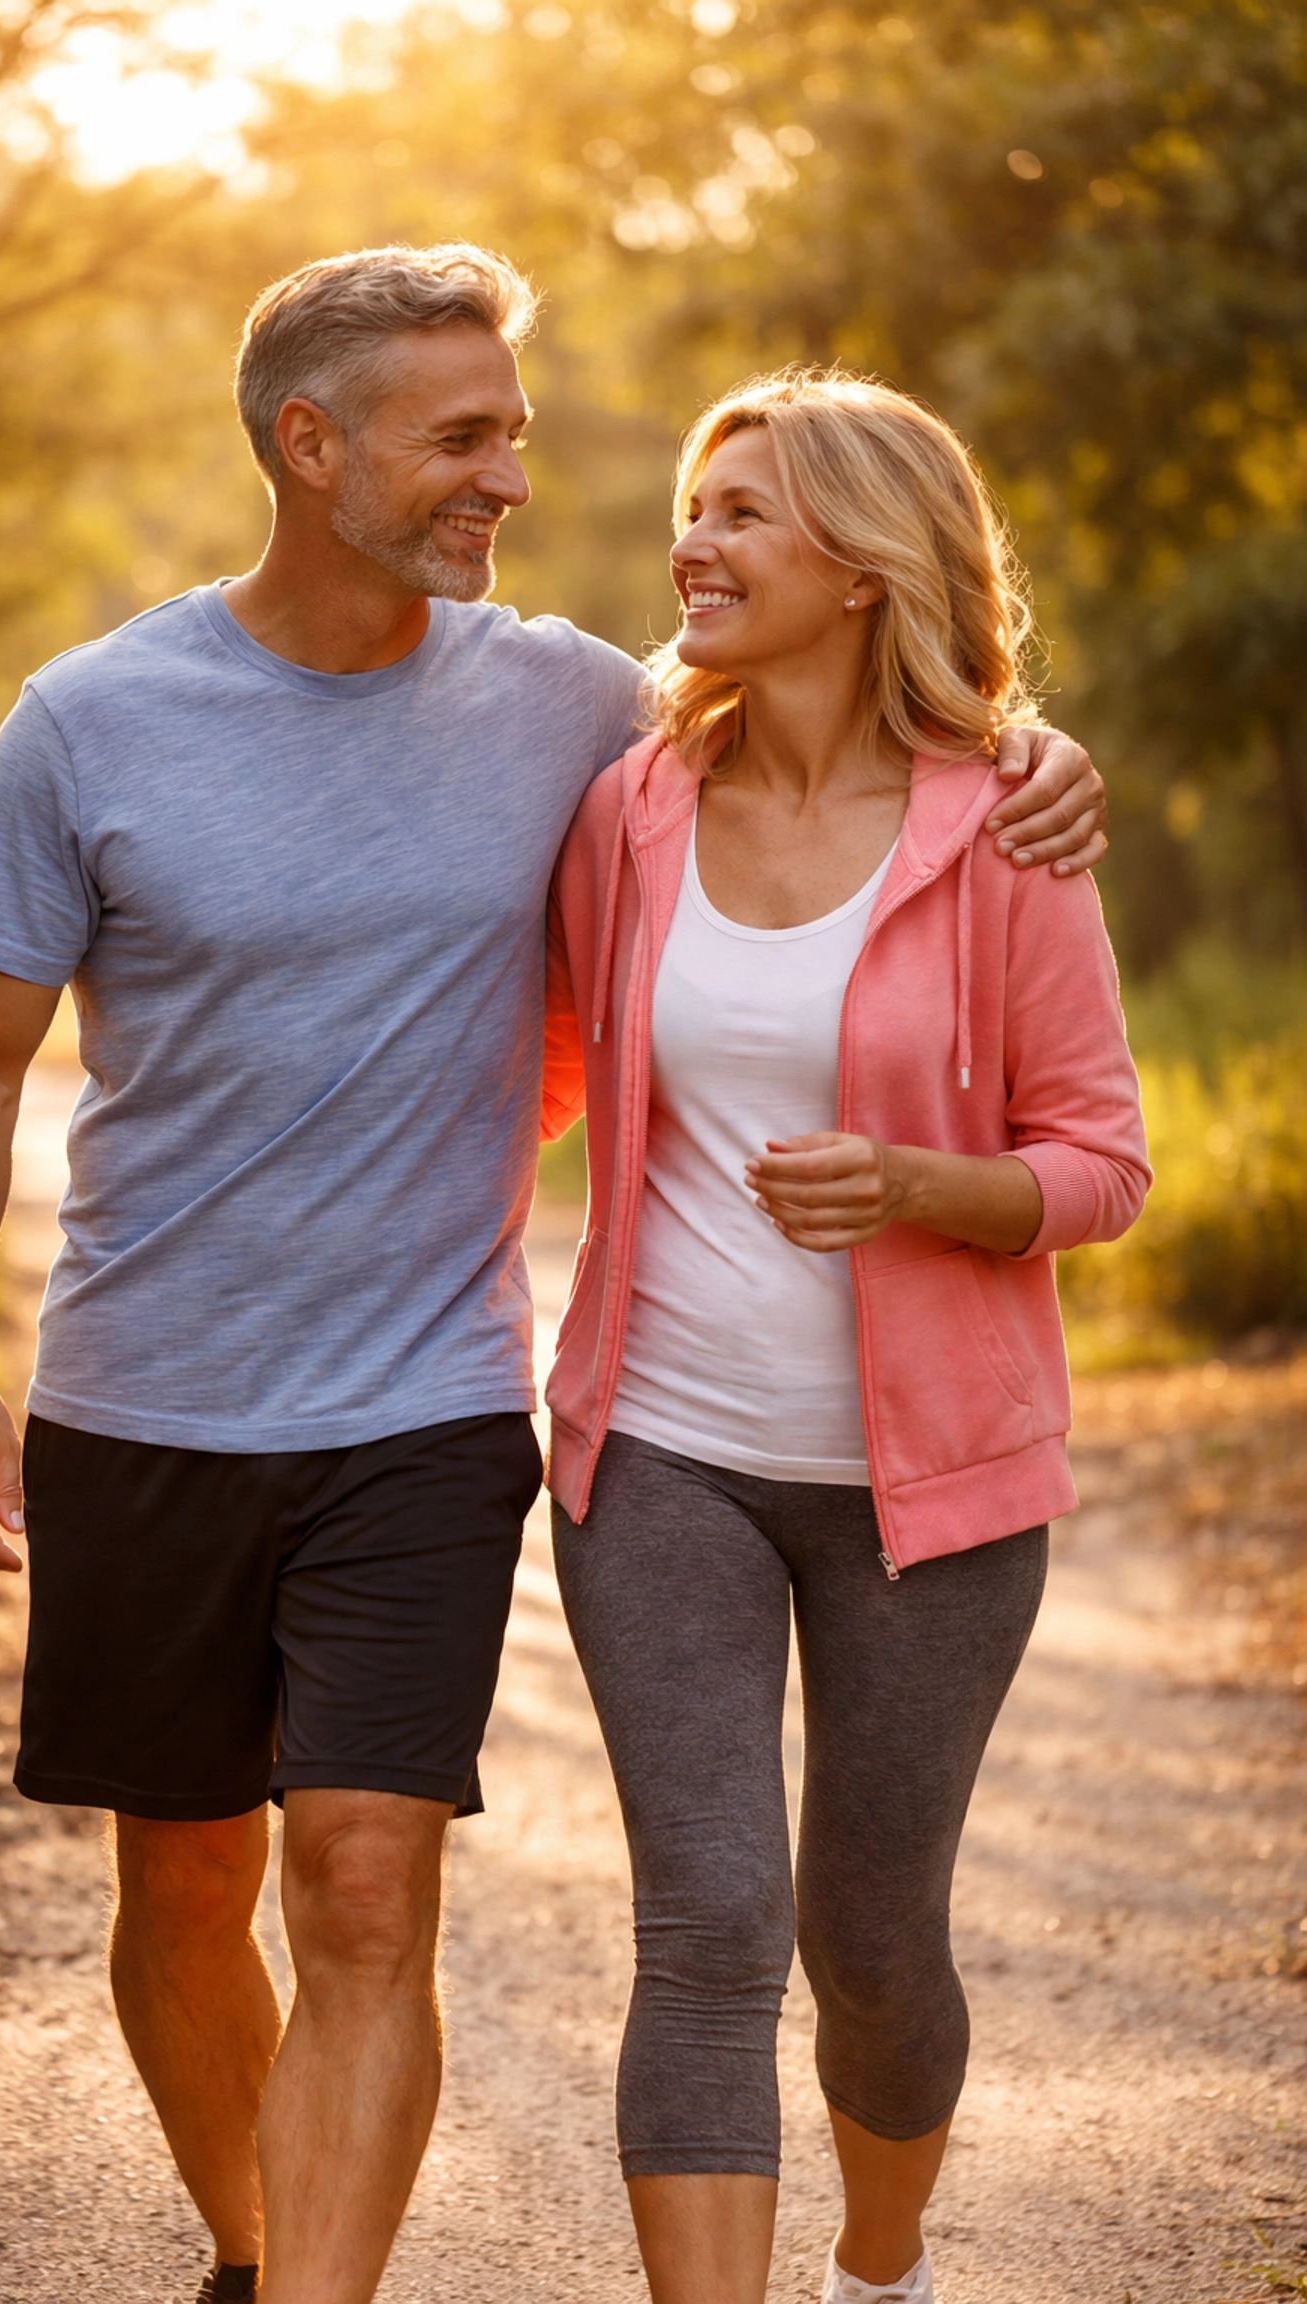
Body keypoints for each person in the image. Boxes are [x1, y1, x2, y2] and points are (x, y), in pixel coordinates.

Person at [0, 245, 1109, 2304]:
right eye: (462, 438)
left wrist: (1036, 746)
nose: (511, 482)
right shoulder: (89, 721)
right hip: (141, 1395)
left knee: (368, 1886)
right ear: (311, 444)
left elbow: (850, 719)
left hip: (430, 1407)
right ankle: (253, 2248)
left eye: (513, 434)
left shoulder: (574, 704)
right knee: (188, 1883)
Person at [541, 368, 1150, 2304]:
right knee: (708, 1926)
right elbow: (539, 1066)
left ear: (865, 569)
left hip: (938, 1498)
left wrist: (915, 1185)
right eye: (692, 505)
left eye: (743, 514)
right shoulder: (633, 811)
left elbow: (1103, 1165)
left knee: (869, 1944)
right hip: (661, 1454)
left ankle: (879, 2267)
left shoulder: (1005, 833)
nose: (689, 543)